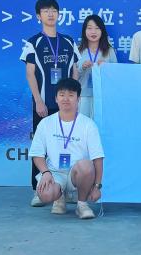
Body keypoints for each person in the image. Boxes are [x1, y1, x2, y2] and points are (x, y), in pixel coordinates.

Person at [22, 0, 80, 206]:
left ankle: (69, 189)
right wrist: (38, 101)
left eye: (53, 10)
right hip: (44, 104)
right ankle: (39, 189)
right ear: (38, 16)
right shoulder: (33, 42)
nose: (50, 14)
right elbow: (30, 73)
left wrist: (74, 99)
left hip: (66, 105)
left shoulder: (68, 42)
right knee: (41, 146)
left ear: (59, 14)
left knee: (69, 144)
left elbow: (74, 71)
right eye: (45, 11)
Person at [29, 78, 105, 220]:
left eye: (71, 95)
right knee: (45, 194)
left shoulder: (88, 125)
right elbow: (37, 154)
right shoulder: (46, 123)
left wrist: (97, 186)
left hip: (76, 174)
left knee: (86, 166)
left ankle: (82, 204)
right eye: (62, 95)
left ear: (78, 99)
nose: (66, 99)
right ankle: (59, 198)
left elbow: (98, 158)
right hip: (54, 173)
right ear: (56, 98)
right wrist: (45, 172)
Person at [76, 14, 118, 118]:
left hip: (103, 96)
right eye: (89, 28)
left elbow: (116, 75)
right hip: (83, 95)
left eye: (97, 28)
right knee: (83, 124)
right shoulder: (78, 50)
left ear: (102, 31)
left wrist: (106, 68)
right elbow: (73, 76)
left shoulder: (109, 51)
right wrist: (82, 67)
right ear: (84, 31)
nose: (93, 32)